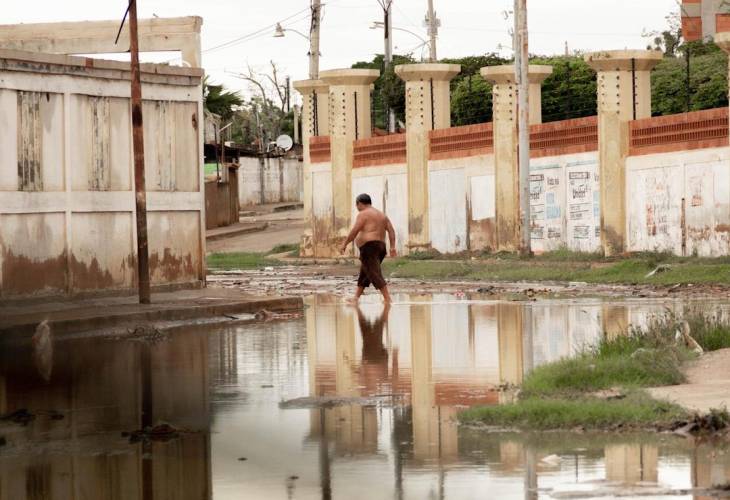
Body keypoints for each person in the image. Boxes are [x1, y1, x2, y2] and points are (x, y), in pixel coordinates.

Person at [340, 193, 396, 303]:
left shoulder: (363, 214)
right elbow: (391, 231)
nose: (357, 208)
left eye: (357, 206)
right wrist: (392, 247)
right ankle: (356, 298)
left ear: (359, 203)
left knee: (374, 272)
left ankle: (387, 298)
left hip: (369, 247)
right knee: (365, 273)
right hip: (381, 247)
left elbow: (354, 231)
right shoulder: (382, 215)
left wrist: (344, 243)